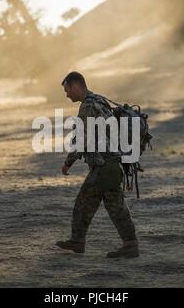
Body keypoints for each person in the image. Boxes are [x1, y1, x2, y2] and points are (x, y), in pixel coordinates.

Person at [56, 71, 139, 258]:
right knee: (87, 204)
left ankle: (130, 245)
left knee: (112, 207)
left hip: (105, 167)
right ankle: (78, 241)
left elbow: (82, 139)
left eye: (67, 90)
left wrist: (68, 162)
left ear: (76, 86)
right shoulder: (99, 100)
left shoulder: (87, 107)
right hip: (107, 165)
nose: (67, 95)